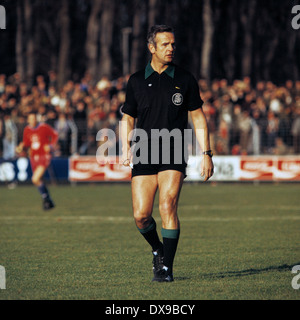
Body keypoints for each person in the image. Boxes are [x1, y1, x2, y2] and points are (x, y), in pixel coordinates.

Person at [121, 25, 214, 282]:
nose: (171, 48)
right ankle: (158, 249)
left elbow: (198, 118)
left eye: (172, 44)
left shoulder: (184, 79)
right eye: (165, 44)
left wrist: (206, 153)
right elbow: (128, 117)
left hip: (173, 152)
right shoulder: (136, 80)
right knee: (141, 215)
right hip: (143, 153)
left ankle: (166, 269)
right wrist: (125, 145)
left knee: (167, 206)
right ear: (152, 48)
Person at [16, 112, 58, 210]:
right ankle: (49, 201)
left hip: (44, 156)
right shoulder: (27, 130)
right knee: (39, 180)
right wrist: (21, 146)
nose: (33, 120)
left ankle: (47, 199)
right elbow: (26, 143)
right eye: (31, 119)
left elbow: (55, 135)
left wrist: (51, 146)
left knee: (35, 179)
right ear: (28, 120)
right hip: (33, 157)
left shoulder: (44, 127)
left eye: (34, 118)